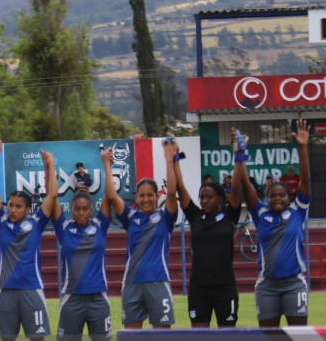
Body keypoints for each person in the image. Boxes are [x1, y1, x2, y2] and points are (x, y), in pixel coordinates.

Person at [0, 141, 59, 341]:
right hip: (5, 293)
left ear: (27, 209)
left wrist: (49, 165)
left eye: (19, 206)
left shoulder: (37, 224)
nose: (13, 209)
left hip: (32, 292)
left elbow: (52, 197)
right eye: (11, 205)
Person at [52, 156, 115, 341]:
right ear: (71, 210)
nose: (80, 212)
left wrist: (107, 164)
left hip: (98, 297)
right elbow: (51, 198)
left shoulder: (101, 225)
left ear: (91, 209)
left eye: (84, 209)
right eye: (76, 209)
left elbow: (110, 196)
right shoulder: (63, 228)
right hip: (72, 299)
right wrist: (49, 166)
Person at [239, 120, 311, 327]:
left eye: (282, 195)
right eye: (272, 196)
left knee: (298, 338)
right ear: (267, 198)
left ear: (290, 198)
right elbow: (245, 184)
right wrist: (240, 154)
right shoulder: (260, 213)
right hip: (267, 286)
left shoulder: (298, 211)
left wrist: (302, 147)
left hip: (294, 284)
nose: (277, 198)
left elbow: (305, 181)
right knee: (269, 340)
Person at [102, 140, 178, 329]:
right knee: (133, 339)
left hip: (158, 281)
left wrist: (169, 160)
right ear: (136, 198)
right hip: (132, 283)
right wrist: (106, 164)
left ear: (157, 196)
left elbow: (172, 193)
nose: (145, 199)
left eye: (150, 195)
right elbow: (112, 196)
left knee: (162, 338)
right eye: (141, 195)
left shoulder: (165, 218)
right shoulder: (130, 216)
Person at [174, 137, 242, 328]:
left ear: (221, 198)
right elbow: (180, 187)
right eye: (201, 197)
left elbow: (236, 186)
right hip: (199, 289)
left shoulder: (230, 216)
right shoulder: (195, 216)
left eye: (209, 197)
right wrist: (174, 160)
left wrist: (238, 153)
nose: (204, 201)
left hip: (225, 288)